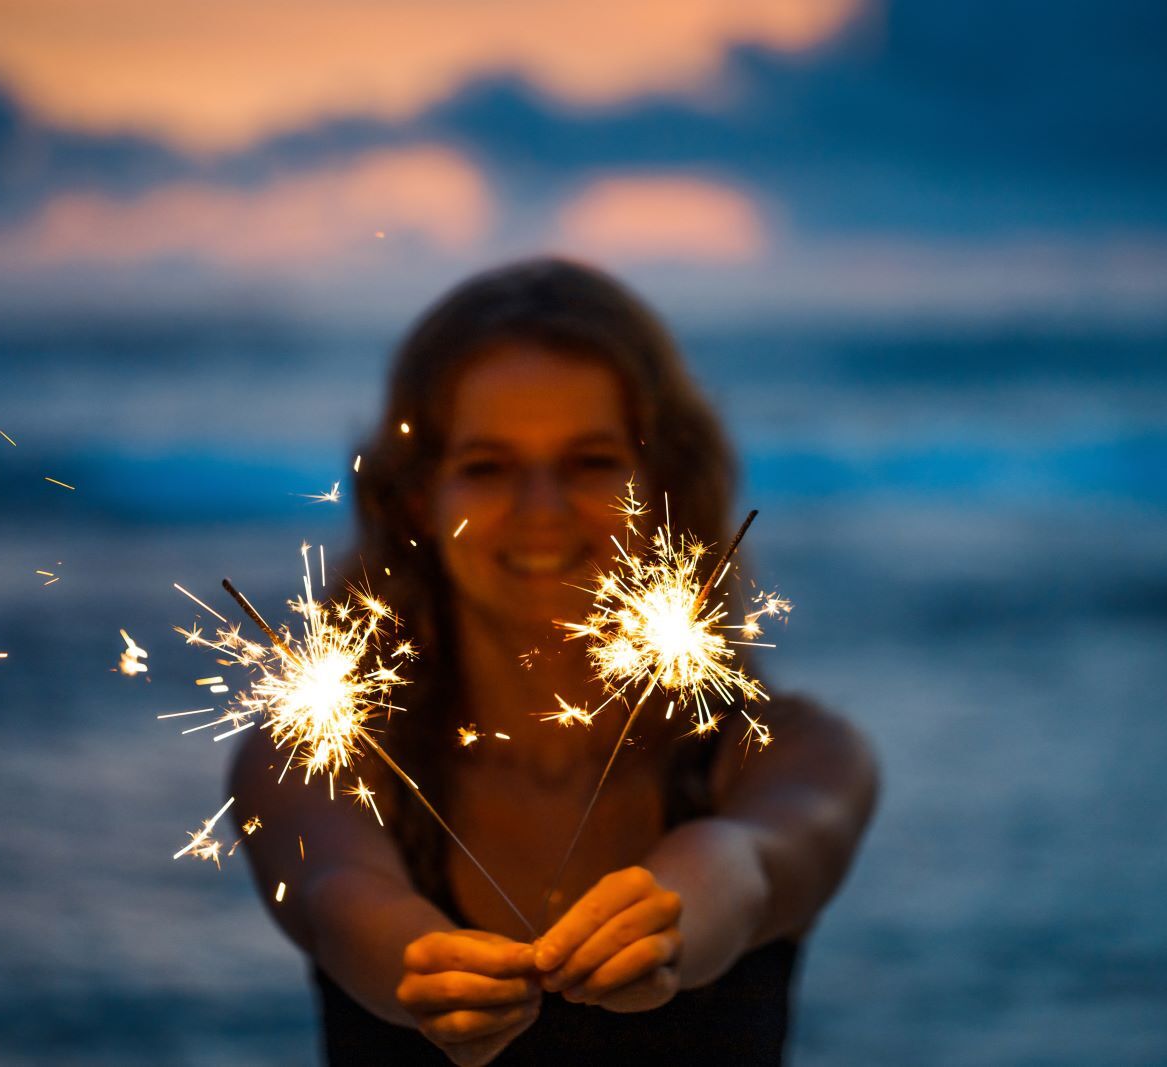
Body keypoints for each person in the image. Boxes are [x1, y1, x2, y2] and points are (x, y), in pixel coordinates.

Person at [231, 257, 879, 1065]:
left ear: (664, 485)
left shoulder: (794, 751)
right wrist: (414, 965)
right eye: (487, 467)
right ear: (415, 500)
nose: (542, 509)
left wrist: (681, 908)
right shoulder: (314, 760)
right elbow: (337, 896)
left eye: (592, 461)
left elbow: (757, 859)